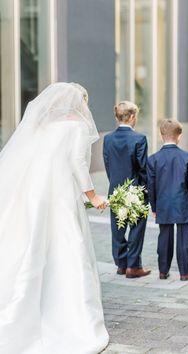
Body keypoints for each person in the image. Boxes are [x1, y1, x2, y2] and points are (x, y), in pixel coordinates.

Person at [0, 82, 109, 354]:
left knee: (32, 246)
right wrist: (93, 196)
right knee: (66, 247)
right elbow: (77, 163)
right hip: (59, 195)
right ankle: (65, 314)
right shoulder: (78, 127)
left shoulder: (43, 127)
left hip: (34, 193)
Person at [147, 119, 188, 281]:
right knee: (184, 237)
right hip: (183, 203)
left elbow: (151, 186)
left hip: (163, 203)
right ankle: (185, 272)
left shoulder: (153, 159)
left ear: (161, 135)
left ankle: (163, 271)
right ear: (179, 136)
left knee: (164, 236)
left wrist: (154, 207)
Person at [103, 101, 151, 279]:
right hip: (136, 190)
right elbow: (143, 168)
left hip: (115, 189)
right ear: (132, 117)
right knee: (137, 227)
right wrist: (147, 191)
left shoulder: (108, 139)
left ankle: (121, 264)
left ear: (117, 117)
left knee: (117, 228)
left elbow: (108, 165)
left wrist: (115, 184)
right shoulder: (139, 139)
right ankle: (133, 265)